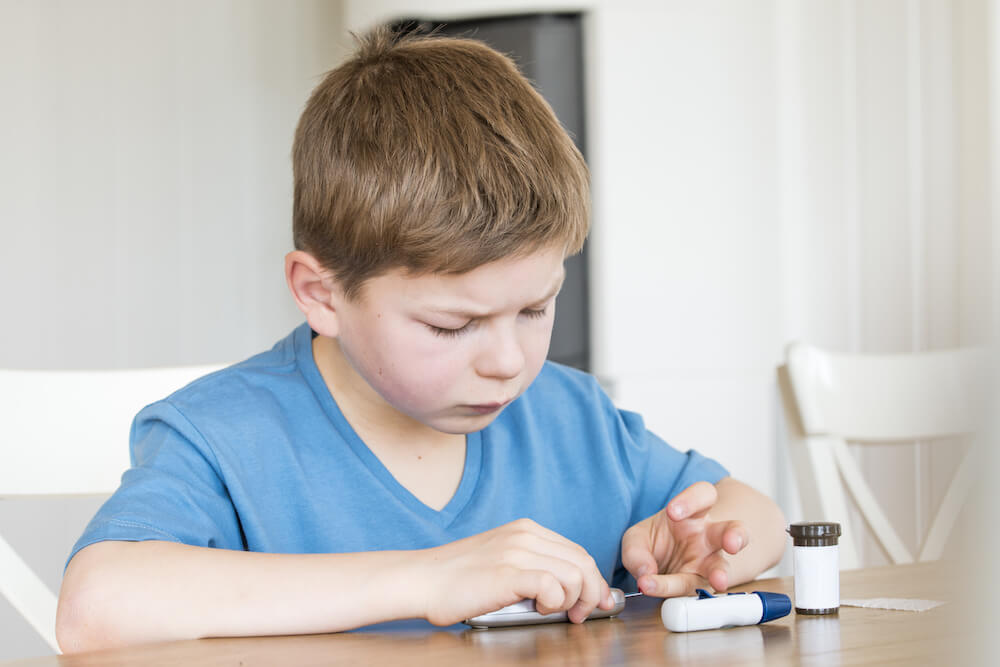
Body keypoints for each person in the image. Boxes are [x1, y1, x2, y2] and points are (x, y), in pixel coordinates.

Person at [56, 27, 786, 652]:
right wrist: (430, 573)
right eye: (451, 324)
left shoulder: (572, 420)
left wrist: (708, 548)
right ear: (322, 293)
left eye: (536, 308)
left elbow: (752, 512)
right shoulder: (227, 435)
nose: (508, 361)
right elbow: (95, 606)